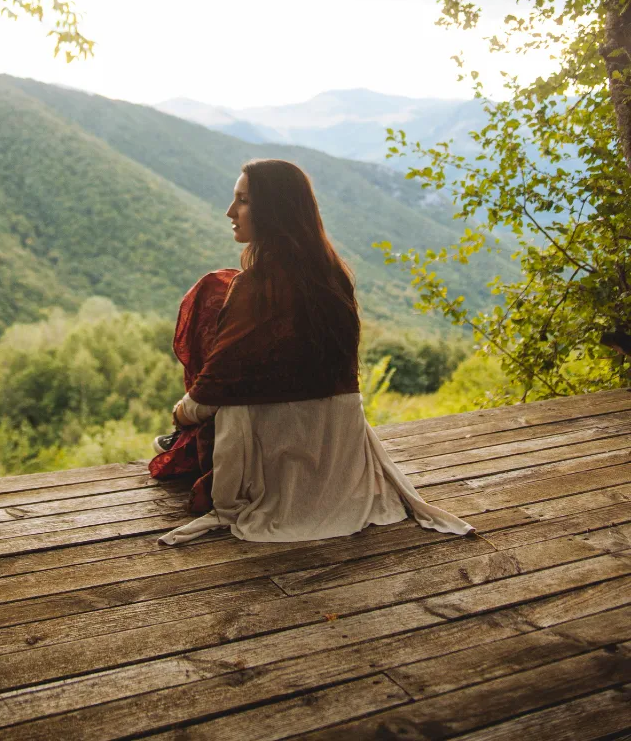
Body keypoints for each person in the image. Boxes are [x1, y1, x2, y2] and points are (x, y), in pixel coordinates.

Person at [149, 158, 474, 547]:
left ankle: (188, 440)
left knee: (211, 290)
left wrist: (183, 413)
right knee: (222, 290)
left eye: (243, 201)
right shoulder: (333, 276)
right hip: (338, 442)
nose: (230, 212)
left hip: (280, 442)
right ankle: (194, 438)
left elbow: (214, 385)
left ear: (275, 211)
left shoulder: (255, 287)